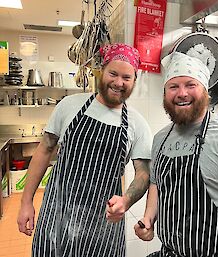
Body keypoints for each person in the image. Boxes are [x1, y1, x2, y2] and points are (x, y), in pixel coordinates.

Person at [17, 43, 152, 257]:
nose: (118, 82)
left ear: (134, 81)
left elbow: (144, 174)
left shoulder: (138, 124)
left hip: (103, 225)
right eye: (113, 74)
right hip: (57, 216)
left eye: (127, 77)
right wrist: (26, 202)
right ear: (101, 71)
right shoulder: (69, 106)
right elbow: (44, 150)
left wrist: (126, 201)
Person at [134, 51, 218, 257]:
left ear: (205, 92)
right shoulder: (161, 138)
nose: (181, 93)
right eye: (173, 86)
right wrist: (148, 218)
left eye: (191, 85)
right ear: (165, 94)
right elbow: (156, 183)